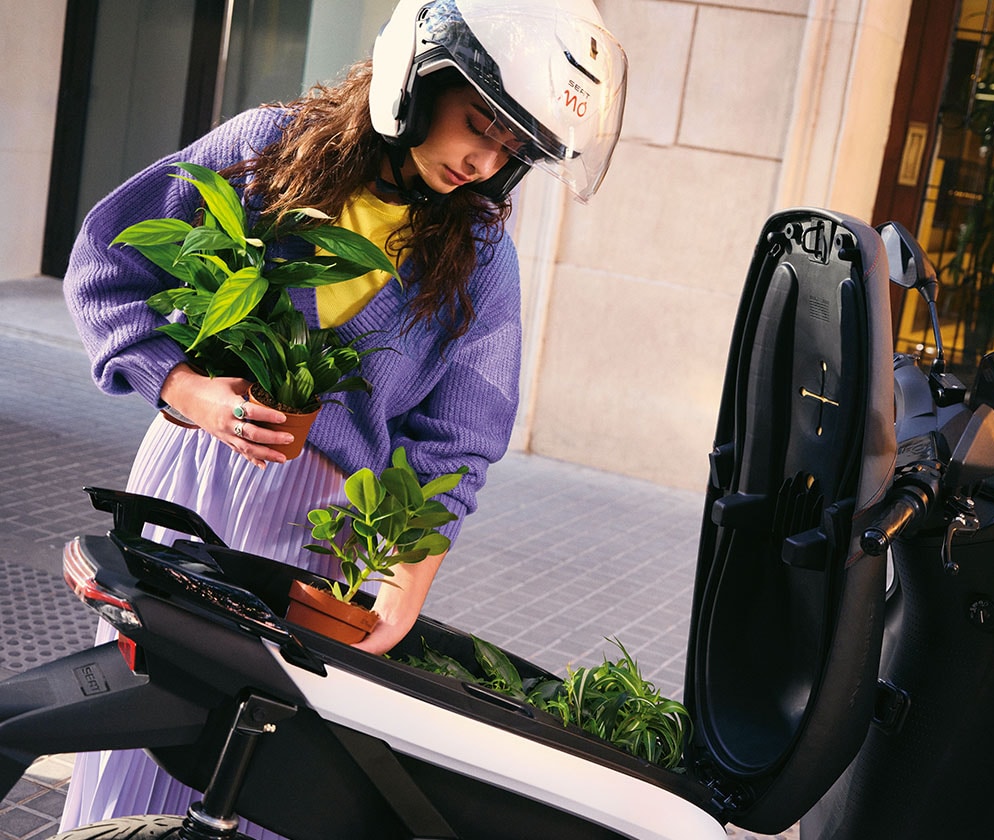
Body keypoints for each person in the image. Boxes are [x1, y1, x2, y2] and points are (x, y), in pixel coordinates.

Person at [58, 0, 627, 836]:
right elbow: (107, 260)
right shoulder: (266, 148)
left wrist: (402, 585)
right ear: (418, 78)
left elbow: (459, 441)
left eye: (510, 148)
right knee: (144, 735)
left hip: (324, 537)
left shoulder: (480, 260)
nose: (483, 159)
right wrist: (190, 391)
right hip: (193, 485)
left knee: (263, 770)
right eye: (478, 123)